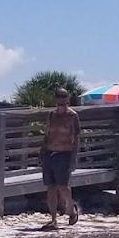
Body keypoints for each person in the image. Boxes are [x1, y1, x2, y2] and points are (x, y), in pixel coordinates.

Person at [41, 89, 81, 229]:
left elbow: (76, 138)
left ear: (67, 100)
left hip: (65, 154)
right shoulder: (51, 115)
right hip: (50, 153)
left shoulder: (72, 116)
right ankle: (53, 219)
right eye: (59, 101)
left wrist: (74, 158)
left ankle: (71, 211)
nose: (62, 104)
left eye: (64, 101)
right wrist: (42, 154)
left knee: (63, 186)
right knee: (50, 187)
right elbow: (46, 135)